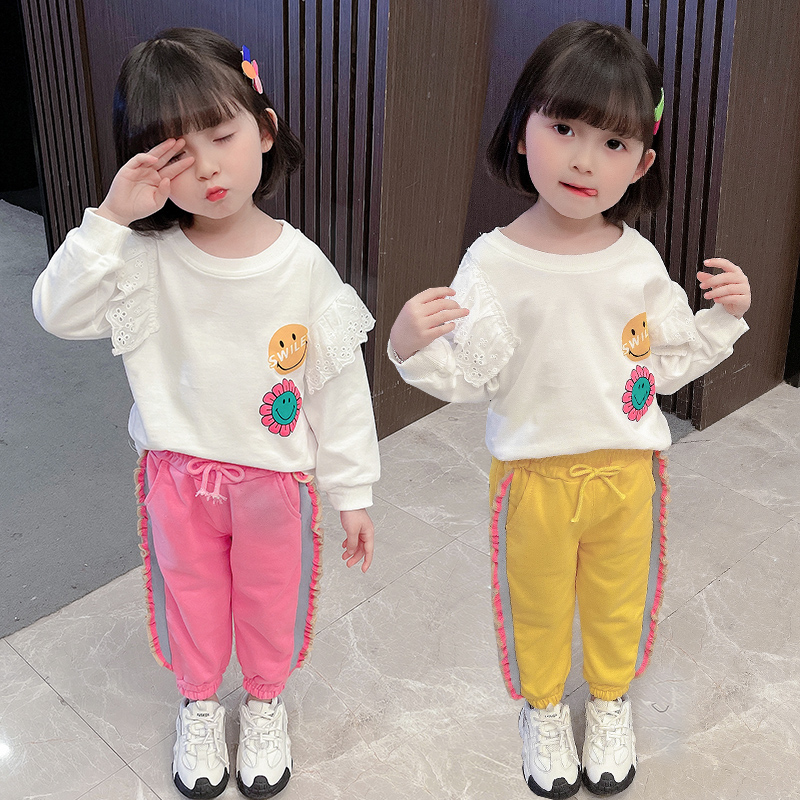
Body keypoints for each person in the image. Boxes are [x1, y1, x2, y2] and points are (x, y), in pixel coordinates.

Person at [388, 20, 750, 799]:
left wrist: (724, 317)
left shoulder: (637, 261)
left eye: (613, 143)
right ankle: (545, 708)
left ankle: (611, 701)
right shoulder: (492, 263)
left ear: (642, 163)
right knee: (539, 605)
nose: (584, 159)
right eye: (564, 129)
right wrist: (410, 346)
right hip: (533, 480)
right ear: (522, 131)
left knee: (620, 598)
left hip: (628, 472)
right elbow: (473, 375)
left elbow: (666, 358)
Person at [33, 27, 379, 800]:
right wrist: (109, 219)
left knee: (269, 601)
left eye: (222, 135)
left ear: (265, 129)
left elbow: (338, 387)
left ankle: (264, 703)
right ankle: (198, 702)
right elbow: (56, 313)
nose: (209, 167)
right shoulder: (139, 259)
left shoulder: (302, 266)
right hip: (178, 477)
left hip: (274, 483)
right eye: (177, 153)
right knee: (188, 598)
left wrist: (351, 491)